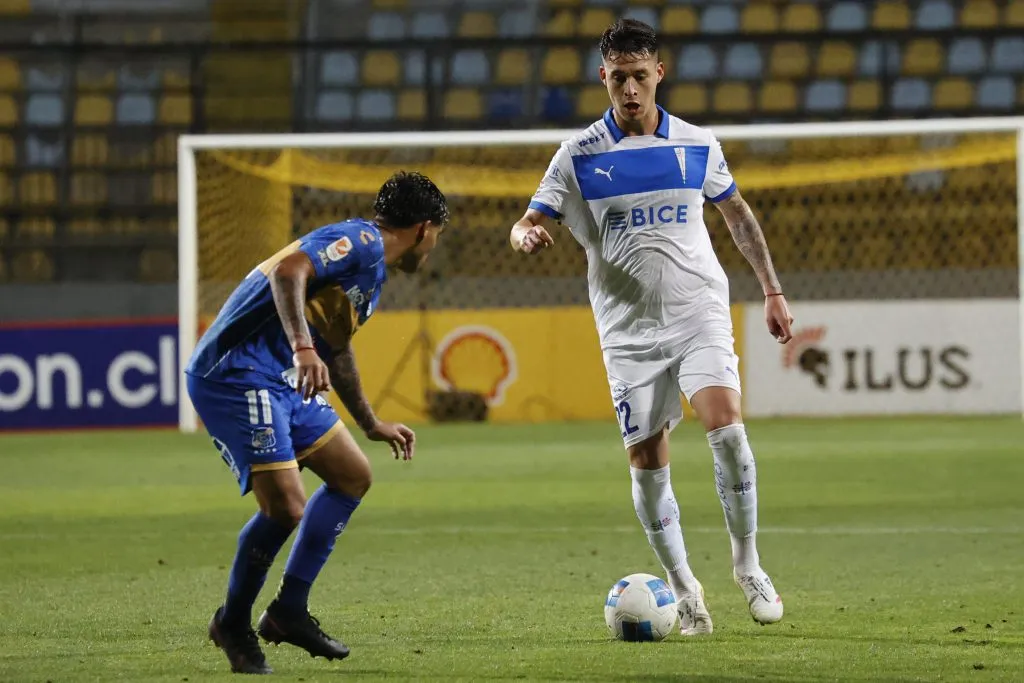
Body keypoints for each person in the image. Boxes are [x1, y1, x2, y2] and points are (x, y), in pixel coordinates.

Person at [510, 19, 794, 636]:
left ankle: (748, 564)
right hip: (629, 334)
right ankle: (686, 589)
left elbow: (737, 216)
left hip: (699, 314)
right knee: (647, 464)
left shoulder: (698, 144)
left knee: (729, 432)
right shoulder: (579, 155)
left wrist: (770, 288)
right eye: (618, 78)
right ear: (603, 78)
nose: (630, 90)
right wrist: (528, 232)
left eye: (640, 76)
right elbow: (528, 218)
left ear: (659, 72)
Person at [185, 171, 449, 672]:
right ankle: (233, 622)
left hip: (280, 376)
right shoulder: (363, 242)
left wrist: (370, 423)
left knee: (353, 475)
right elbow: (289, 272)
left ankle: (287, 610)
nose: (431, 248)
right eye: (435, 237)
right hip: (236, 372)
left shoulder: (371, 274)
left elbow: (339, 346)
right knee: (285, 506)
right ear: (423, 228)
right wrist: (305, 349)